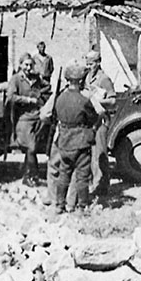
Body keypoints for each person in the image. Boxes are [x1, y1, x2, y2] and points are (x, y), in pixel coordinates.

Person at [52, 59, 99, 214]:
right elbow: (93, 118)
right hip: (81, 141)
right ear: (80, 81)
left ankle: (59, 205)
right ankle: (82, 207)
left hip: (65, 141)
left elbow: (54, 116)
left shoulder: (59, 98)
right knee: (82, 176)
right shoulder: (84, 100)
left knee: (64, 174)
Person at [7, 53, 49, 187]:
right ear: (20, 65)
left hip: (36, 115)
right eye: (26, 64)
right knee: (31, 147)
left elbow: (47, 86)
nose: (29, 67)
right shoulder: (16, 79)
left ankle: (30, 175)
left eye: (31, 65)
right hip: (23, 118)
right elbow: (11, 97)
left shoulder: (36, 78)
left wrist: (40, 93)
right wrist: (28, 99)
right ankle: (31, 176)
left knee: (33, 147)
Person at [85, 50, 116, 196]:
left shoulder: (104, 79)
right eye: (87, 63)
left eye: (91, 64)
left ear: (98, 62)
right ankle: (94, 184)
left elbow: (112, 100)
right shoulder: (87, 77)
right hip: (90, 121)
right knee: (91, 154)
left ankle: (103, 186)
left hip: (101, 121)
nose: (89, 66)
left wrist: (95, 100)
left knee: (100, 153)